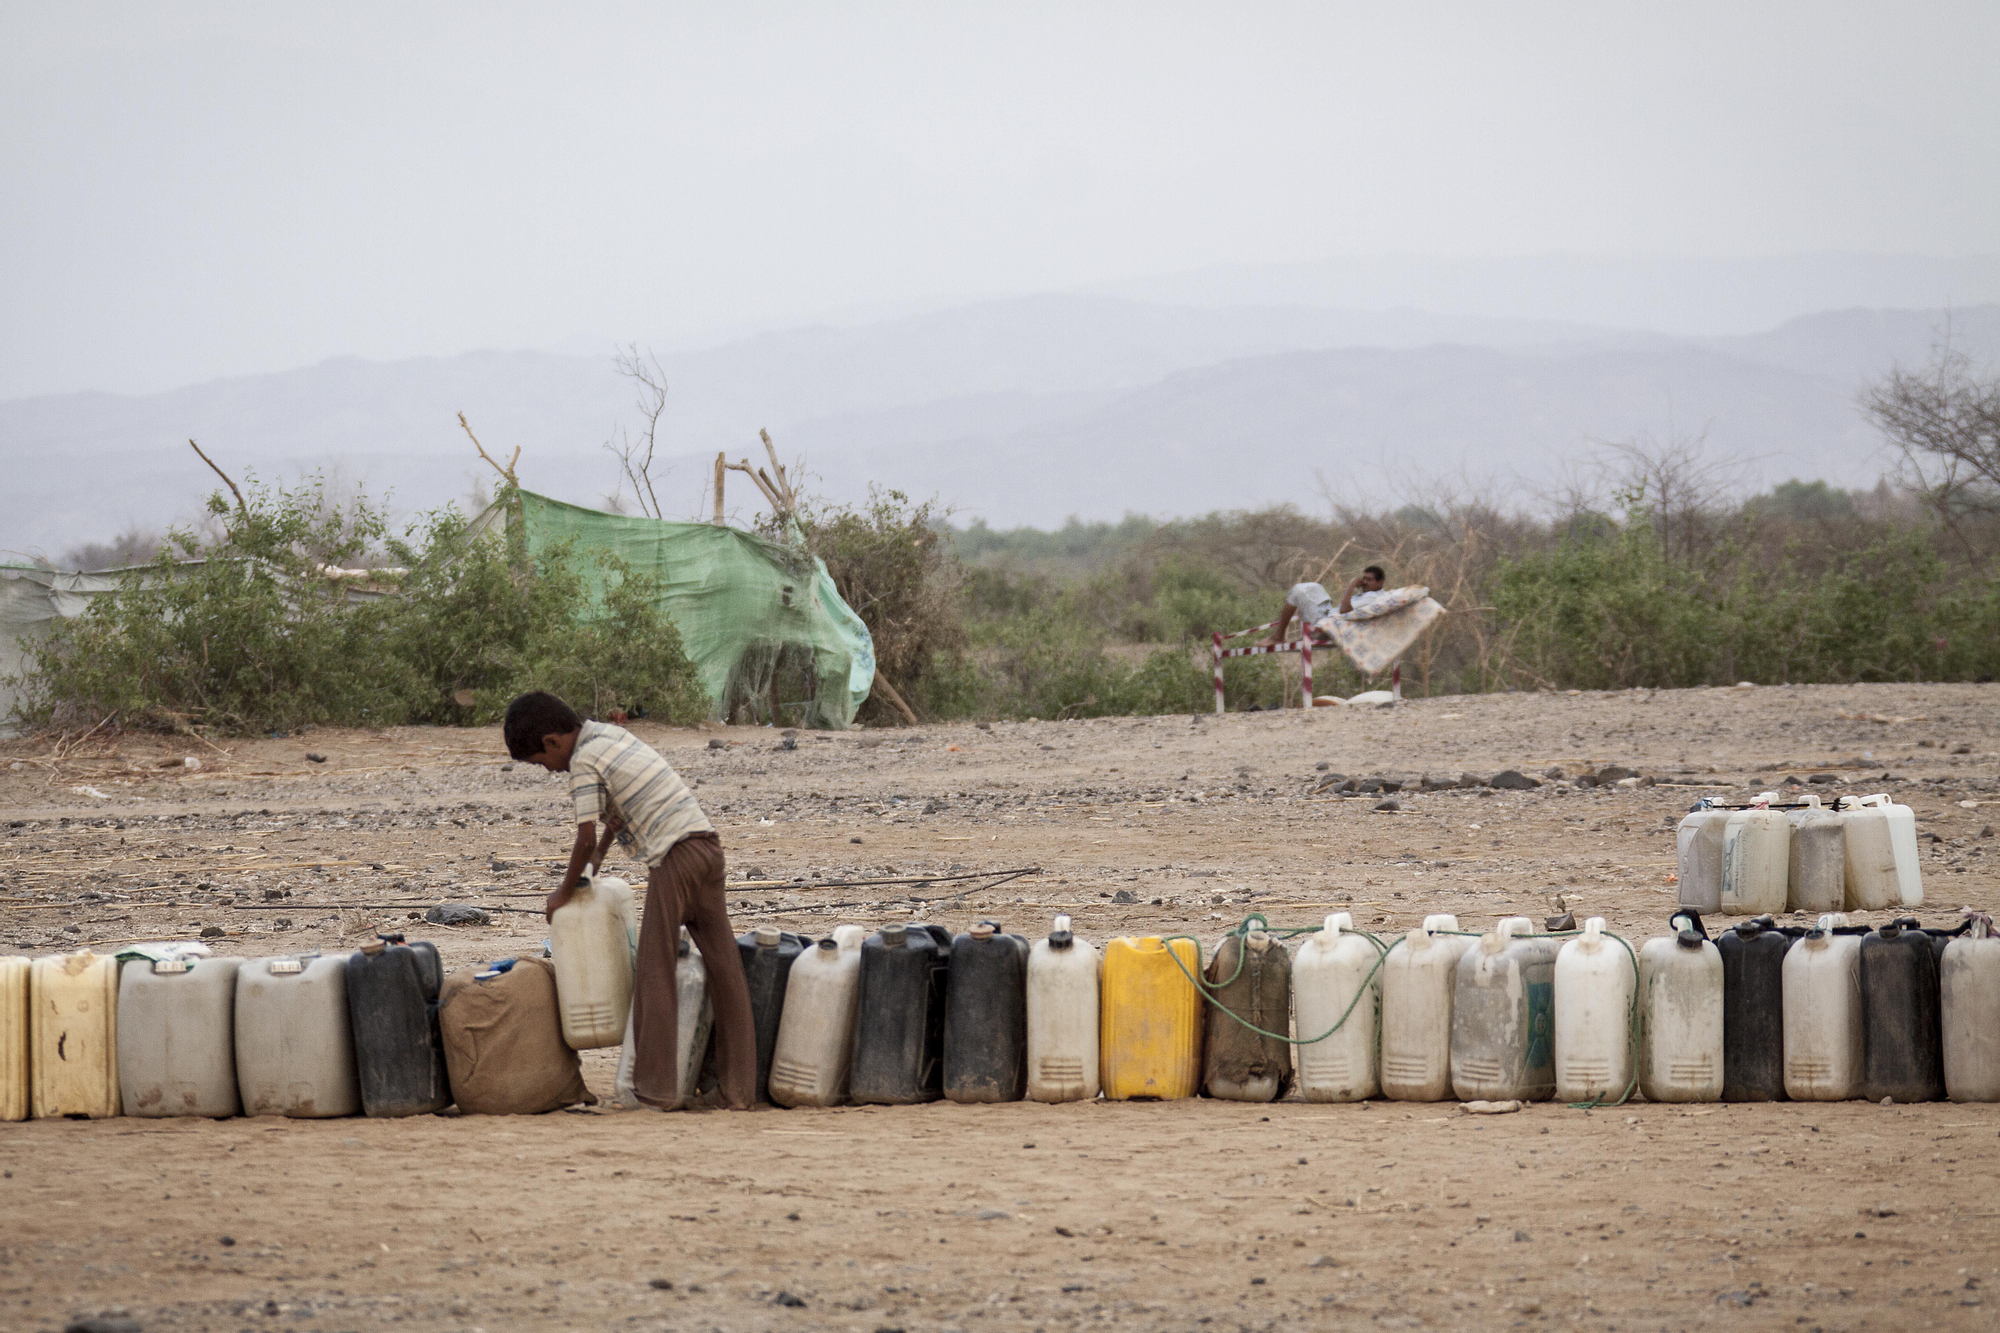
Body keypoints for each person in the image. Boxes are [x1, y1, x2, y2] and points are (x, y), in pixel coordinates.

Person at [504, 690, 757, 1111]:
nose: (548, 769)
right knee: (726, 970)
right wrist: (597, 862)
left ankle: (656, 1092)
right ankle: (739, 1091)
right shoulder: (610, 736)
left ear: (552, 741)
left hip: (674, 857)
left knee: (655, 972)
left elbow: (584, 837)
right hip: (706, 847)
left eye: (540, 761)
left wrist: (561, 894)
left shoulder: (582, 762)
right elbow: (617, 816)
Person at [1264, 565, 1387, 645]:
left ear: (1380, 582)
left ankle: (1278, 636)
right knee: (1314, 587)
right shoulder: (1367, 594)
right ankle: (1282, 636)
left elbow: (1344, 610)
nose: (1364, 582)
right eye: (1364, 579)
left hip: (1329, 624)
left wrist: (1351, 585)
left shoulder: (1374, 597)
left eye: (1369, 580)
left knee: (1298, 591)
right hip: (1328, 616)